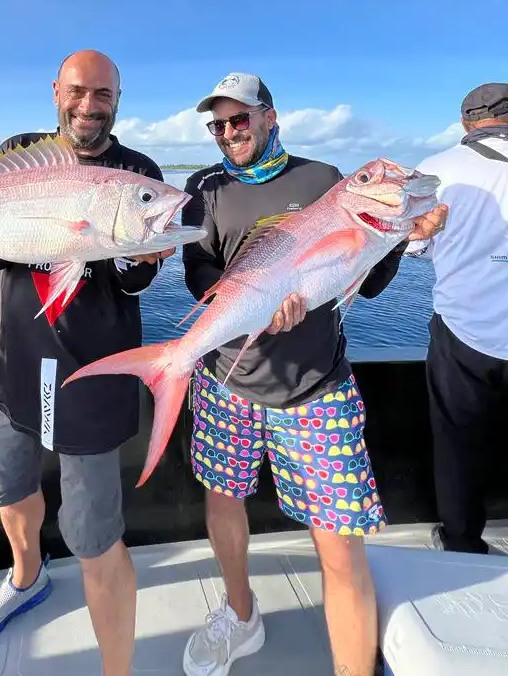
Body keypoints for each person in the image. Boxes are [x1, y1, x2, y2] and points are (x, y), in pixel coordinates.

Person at [0, 49, 176, 676]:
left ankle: (117, 668)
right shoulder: (17, 149)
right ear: (56, 90)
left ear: (119, 99)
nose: (89, 106)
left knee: (95, 537)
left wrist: (141, 261)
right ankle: (25, 578)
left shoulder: (138, 172)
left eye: (103, 95)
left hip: (92, 375)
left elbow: (137, 277)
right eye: (78, 91)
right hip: (13, 364)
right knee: (6, 490)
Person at [179, 71, 448, 676]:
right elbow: (197, 276)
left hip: (315, 389)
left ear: (270, 116)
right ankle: (240, 615)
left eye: (240, 119)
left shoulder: (324, 180)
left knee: (338, 542)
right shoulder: (204, 189)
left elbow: (368, 282)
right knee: (223, 503)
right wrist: (247, 299)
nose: (228, 133)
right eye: (217, 125)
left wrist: (403, 236)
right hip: (226, 380)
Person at [410, 82, 508, 555]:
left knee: (457, 441)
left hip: (463, 329)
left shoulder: (435, 170)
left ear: (467, 123)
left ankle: (463, 541)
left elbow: (413, 244)